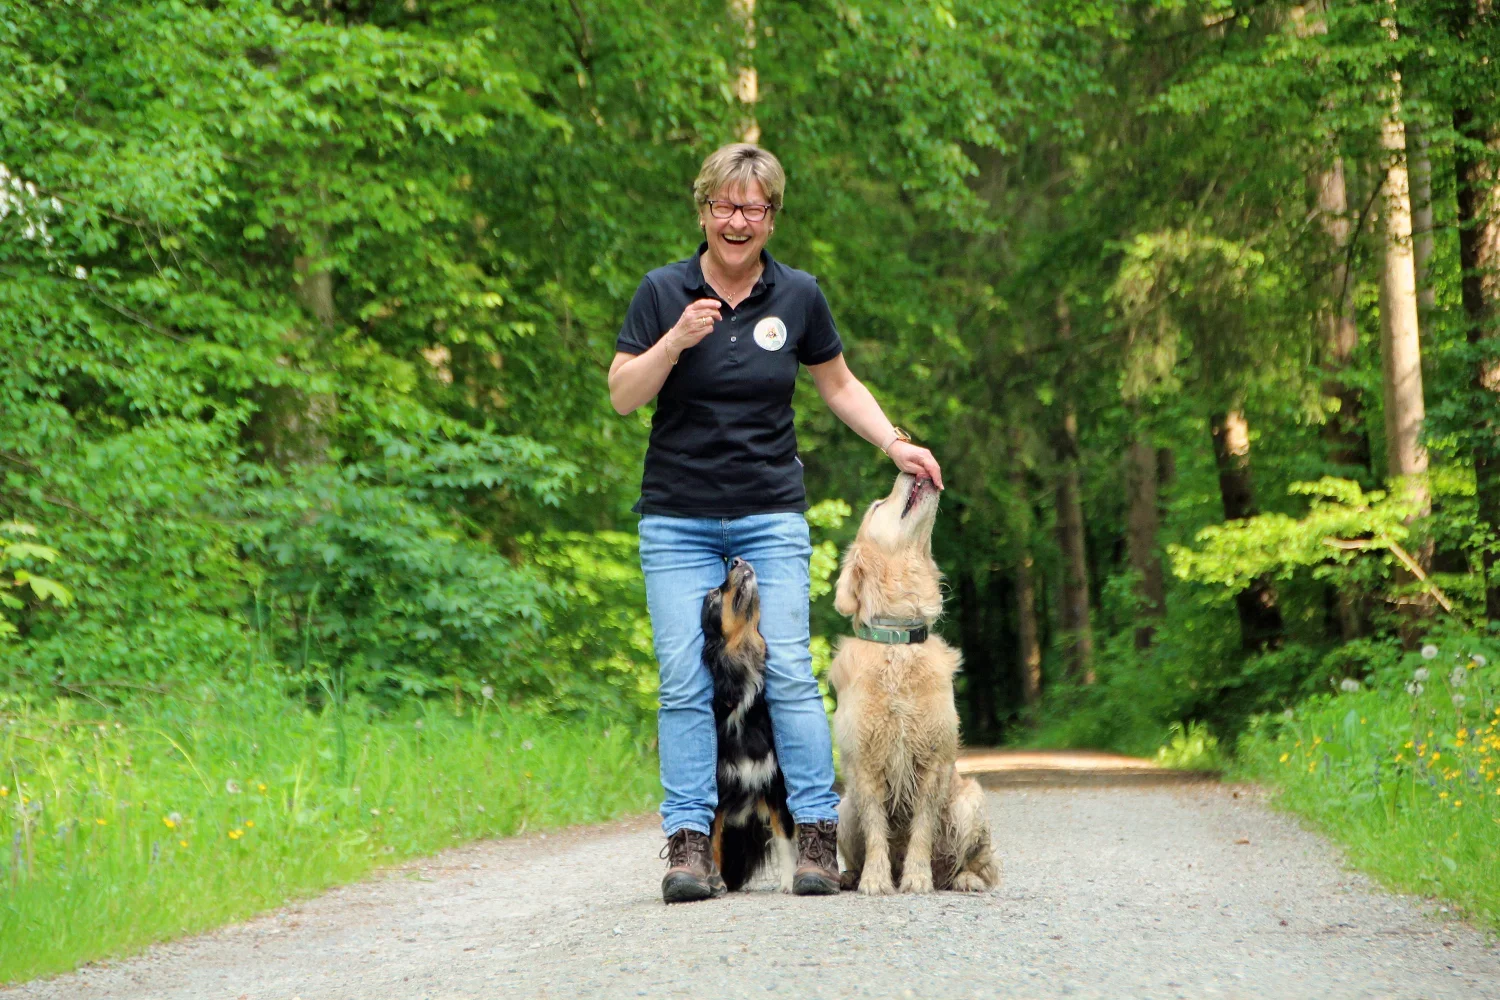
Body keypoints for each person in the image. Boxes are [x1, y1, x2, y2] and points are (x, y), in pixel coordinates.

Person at [608, 143, 944, 903]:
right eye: (725, 206)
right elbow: (624, 395)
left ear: (770, 217)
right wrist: (675, 342)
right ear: (703, 210)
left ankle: (818, 838)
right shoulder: (663, 291)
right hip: (678, 520)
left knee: (790, 672)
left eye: (753, 208)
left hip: (768, 514)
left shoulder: (798, 295)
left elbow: (838, 383)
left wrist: (895, 443)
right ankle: (690, 845)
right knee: (683, 683)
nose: (737, 220)